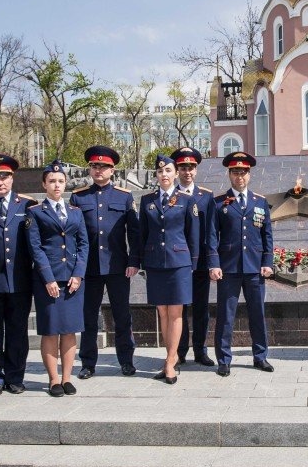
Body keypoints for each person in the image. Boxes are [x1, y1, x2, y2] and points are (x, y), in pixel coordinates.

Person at [71, 146, 140, 378]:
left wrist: (134, 260)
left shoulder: (124, 196)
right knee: (89, 316)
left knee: (122, 315)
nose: (98, 170)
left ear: (113, 170)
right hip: (89, 267)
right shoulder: (79, 197)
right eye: (94, 166)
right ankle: (88, 363)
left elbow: (134, 232)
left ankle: (126, 361)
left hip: (117, 266)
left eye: (103, 166)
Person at [208, 151, 275, 376]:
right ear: (229, 174)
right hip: (228, 269)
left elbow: (267, 236)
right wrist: (214, 264)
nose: (240, 176)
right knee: (226, 316)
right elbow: (212, 237)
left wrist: (268, 262)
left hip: (255, 268)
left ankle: (260, 356)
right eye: (236, 172)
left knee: (258, 313)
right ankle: (224, 360)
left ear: (250, 175)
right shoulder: (219, 203)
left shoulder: (260, 202)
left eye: (244, 172)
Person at [27, 162, 89, 397]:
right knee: (51, 330)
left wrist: (78, 274)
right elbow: (35, 247)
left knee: (70, 330)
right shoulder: (35, 213)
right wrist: (48, 278)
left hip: (72, 279)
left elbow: (83, 244)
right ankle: (53, 379)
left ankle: (67, 377)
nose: (56, 185)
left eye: (60, 181)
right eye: (52, 181)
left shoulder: (75, 212)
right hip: (48, 280)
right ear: (44, 184)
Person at [139, 155, 201, 384]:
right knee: (162, 312)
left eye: (167, 170)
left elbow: (193, 235)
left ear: (176, 174)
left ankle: (170, 363)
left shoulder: (186, 200)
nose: (163, 175)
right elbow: (142, 234)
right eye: (159, 171)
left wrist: (192, 263)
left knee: (175, 313)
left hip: (179, 263)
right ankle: (169, 357)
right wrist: (142, 261)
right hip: (155, 263)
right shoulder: (147, 201)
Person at [0, 153, 36, 396]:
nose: (0, 181)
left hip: (20, 279)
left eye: (5, 176)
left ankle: (15, 376)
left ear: (12, 178)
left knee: (17, 331)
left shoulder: (27, 205)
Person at [172, 146, 217, 367]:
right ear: (177, 170)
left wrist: (211, 261)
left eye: (190, 167)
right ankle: (180, 352)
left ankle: (200, 351)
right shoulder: (171, 196)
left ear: (196, 170)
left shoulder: (206, 197)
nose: (187, 171)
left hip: (199, 264)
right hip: (177, 264)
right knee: (179, 309)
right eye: (182, 167)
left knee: (201, 309)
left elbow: (210, 231)